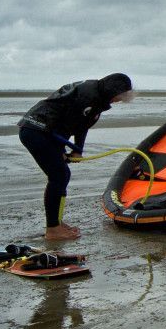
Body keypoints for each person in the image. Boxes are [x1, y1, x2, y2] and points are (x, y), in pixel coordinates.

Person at [18, 73, 134, 240]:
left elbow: (80, 125)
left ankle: (56, 222)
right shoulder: (90, 97)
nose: (119, 100)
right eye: (120, 96)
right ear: (113, 89)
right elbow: (72, 124)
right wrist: (65, 150)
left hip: (41, 131)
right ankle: (53, 230)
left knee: (62, 175)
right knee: (58, 176)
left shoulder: (94, 93)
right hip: (37, 131)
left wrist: (77, 150)